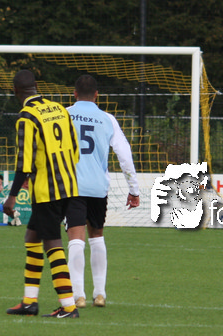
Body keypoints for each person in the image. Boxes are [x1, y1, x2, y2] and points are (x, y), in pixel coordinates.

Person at [3, 69, 83, 319]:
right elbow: (75, 150)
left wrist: (12, 196)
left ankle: (68, 306)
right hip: (69, 185)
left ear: (16, 91)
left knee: (52, 243)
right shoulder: (59, 109)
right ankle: (29, 302)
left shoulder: (26, 117)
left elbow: (24, 163)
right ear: (36, 86)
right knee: (32, 236)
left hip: (47, 192)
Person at [65, 74, 140, 309]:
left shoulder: (64, 115)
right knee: (96, 236)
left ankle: (78, 295)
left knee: (75, 238)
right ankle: (100, 294)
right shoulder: (108, 119)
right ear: (97, 95)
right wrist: (134, 189)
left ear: (74, 94)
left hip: (72, 185)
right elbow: (124, 156)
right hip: (98, 187)